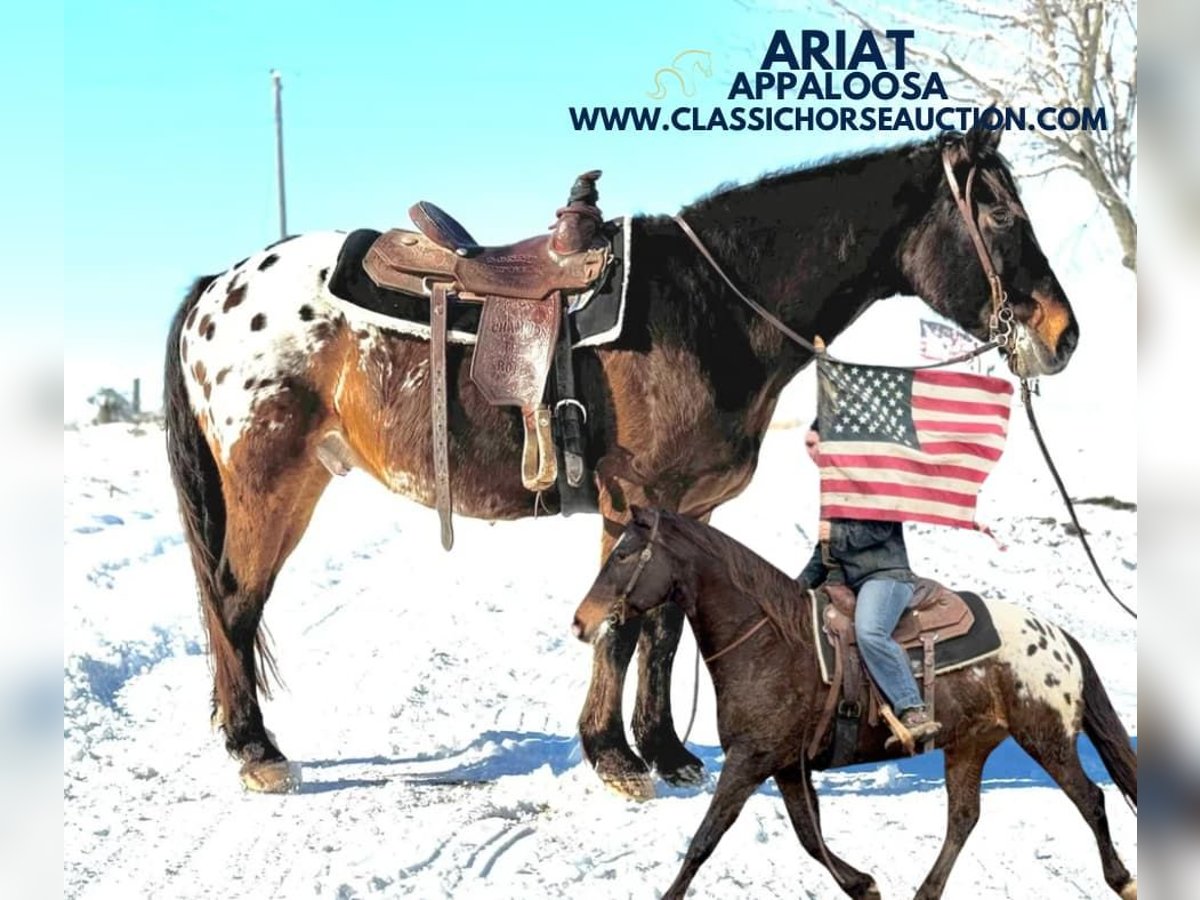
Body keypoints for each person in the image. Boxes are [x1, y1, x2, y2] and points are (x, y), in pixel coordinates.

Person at [799, 418, 941, 745]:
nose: (811, 453)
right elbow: (824, 553)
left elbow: (880, 529)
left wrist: (835, 533)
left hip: (886, 576)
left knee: (870, 631)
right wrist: (793, 588)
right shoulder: (833, 489)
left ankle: (912, 708)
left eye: (814, 444)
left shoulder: (872, 479)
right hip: (850, 583)